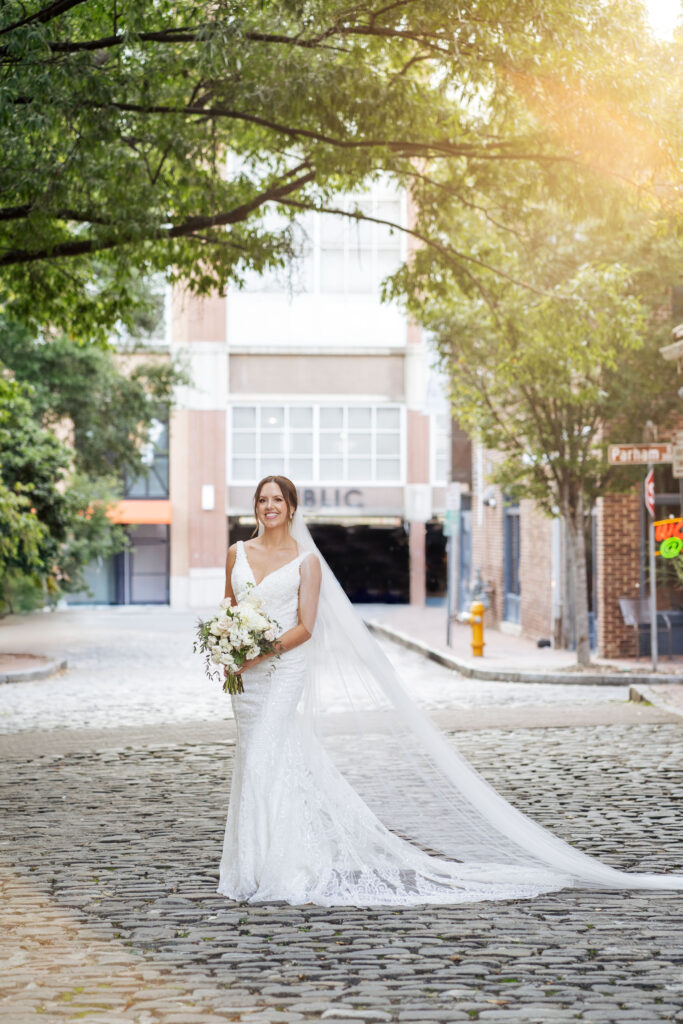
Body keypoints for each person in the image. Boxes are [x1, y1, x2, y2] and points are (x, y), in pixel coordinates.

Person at [218, 475, 683, 907]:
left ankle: (281, 868)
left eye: (277, 499)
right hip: (246, 677)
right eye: (262, 500)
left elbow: (306, 627)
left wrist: (259, 653)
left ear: (292, 507)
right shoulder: (237, 552)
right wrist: (227, 649)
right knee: (258, 757)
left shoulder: (307, 560)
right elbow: (228, 610)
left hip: (282, 667)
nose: (269, 506)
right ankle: (253, 864)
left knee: (265, 752)